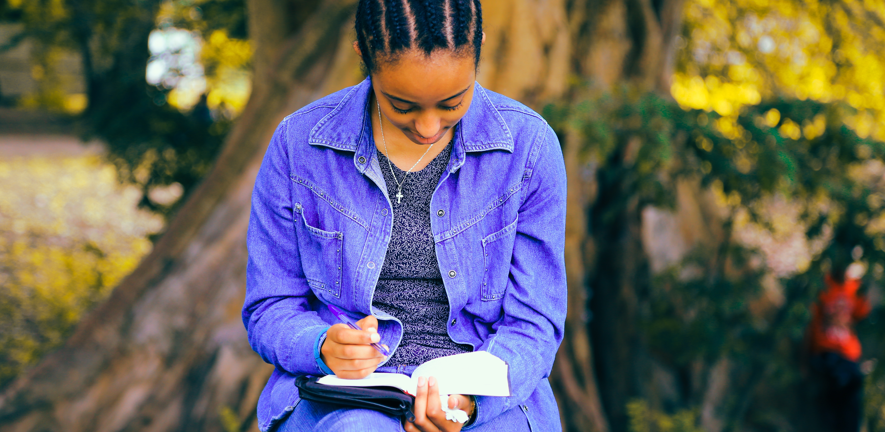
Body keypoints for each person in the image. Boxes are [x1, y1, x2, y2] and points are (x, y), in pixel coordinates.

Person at [242, 1, 568, 431]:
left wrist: (466, 405)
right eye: (402, 106)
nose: (429, 127)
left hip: (486, 399)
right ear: (364, 55)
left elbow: (535, 323)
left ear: (478, 49)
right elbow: (270, 305)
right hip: (344, 397)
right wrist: (320, 345)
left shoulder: (529, 148)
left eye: (453, 103)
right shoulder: (298, 146)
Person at [806, 251, 871, 432]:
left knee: (853, 387)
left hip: (849, 354)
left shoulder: (855, 287)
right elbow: (810, 323)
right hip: (826, 350)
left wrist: (865, 291)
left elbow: (861, 314)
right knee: (839, 381)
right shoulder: (823, 285)